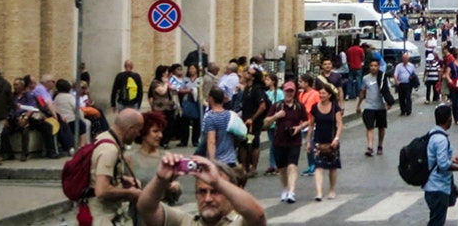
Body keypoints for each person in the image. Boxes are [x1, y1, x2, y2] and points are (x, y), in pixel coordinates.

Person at [135, 154, 266, 226]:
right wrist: (161, 180)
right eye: (202, 192)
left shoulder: (239, 223)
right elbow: (146, 208)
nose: (208, 199)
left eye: (215, 191)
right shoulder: (183, 222)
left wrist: (218, 182)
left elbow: (257, 215)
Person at [89, 109, 143, 226]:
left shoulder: (102, 137)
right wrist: (129, 192)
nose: (138, 134)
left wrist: (122, 179)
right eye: (138, 130)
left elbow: (97, 172)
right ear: (130, 129)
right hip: (102, 216)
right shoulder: (110, 150)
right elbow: (101, 190)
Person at [423, 105, 458, 226]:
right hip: (438, 186)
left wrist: (451, 159)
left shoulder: (432, 134)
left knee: (435, 218)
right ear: (449, 119)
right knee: (437, 221)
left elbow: (436, 158)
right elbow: (443, 165)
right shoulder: (441, 139)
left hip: (430, 185)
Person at [268, 82, 308, 203]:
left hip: (294, 140)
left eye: (291, 91)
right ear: (284, 91)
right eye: (287, 91)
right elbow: (266, 122)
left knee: (292, 166)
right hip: (279, 140)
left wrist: (299, 128)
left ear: (294, 92)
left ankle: (292, 192)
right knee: (282, 168)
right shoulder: (277, 106)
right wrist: (276, 116)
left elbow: (306, 121)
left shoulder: (299, 106)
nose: (289, 93)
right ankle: (285, 189)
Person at [309, 82, 342, 201]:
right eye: (320, 93)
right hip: (318, 140)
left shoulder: (335, 107)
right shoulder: (314, 107)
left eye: (324, 93)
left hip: (332, 140)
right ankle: (319, 192)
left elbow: (340, 124)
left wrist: (337, 138)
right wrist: (308, 141)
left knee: (332, 167)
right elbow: (311, 124)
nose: (321, 95)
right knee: (318, 166)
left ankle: (332, 189)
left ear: (329, 95)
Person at [359, 60, 390, 157]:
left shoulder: (382, 77)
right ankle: (370, 147)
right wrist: (358, 104)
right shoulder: (365, 78)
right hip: (369, 106)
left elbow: (386, 91)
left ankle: (380, 145)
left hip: (380, 106)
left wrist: (388, 102)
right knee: (370, 127)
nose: (373, 67)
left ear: (378, 66)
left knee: (381, 127)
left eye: (375, 66)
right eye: (371, 65)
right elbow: (362, 92)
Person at [393, 54, 418, 118]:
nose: (405, 60)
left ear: (408, 59)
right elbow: (395, 74)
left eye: (406, 58)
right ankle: (402, 110)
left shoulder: (411, 66)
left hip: (408, 84)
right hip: (401, 83)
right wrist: (396, 81)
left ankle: (408, 110)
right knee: (401, 97)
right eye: (403, 58)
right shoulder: (399, 66)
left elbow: (414, 74)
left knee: (408, 96)